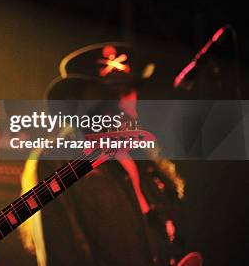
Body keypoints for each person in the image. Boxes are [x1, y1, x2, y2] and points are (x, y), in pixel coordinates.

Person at [19, 43, 201, 266]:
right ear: (80, 100)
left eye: (127, 90)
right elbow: (61, 254)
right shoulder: (56, 159)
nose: (121, 102)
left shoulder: (145, 159)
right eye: (107, 93)